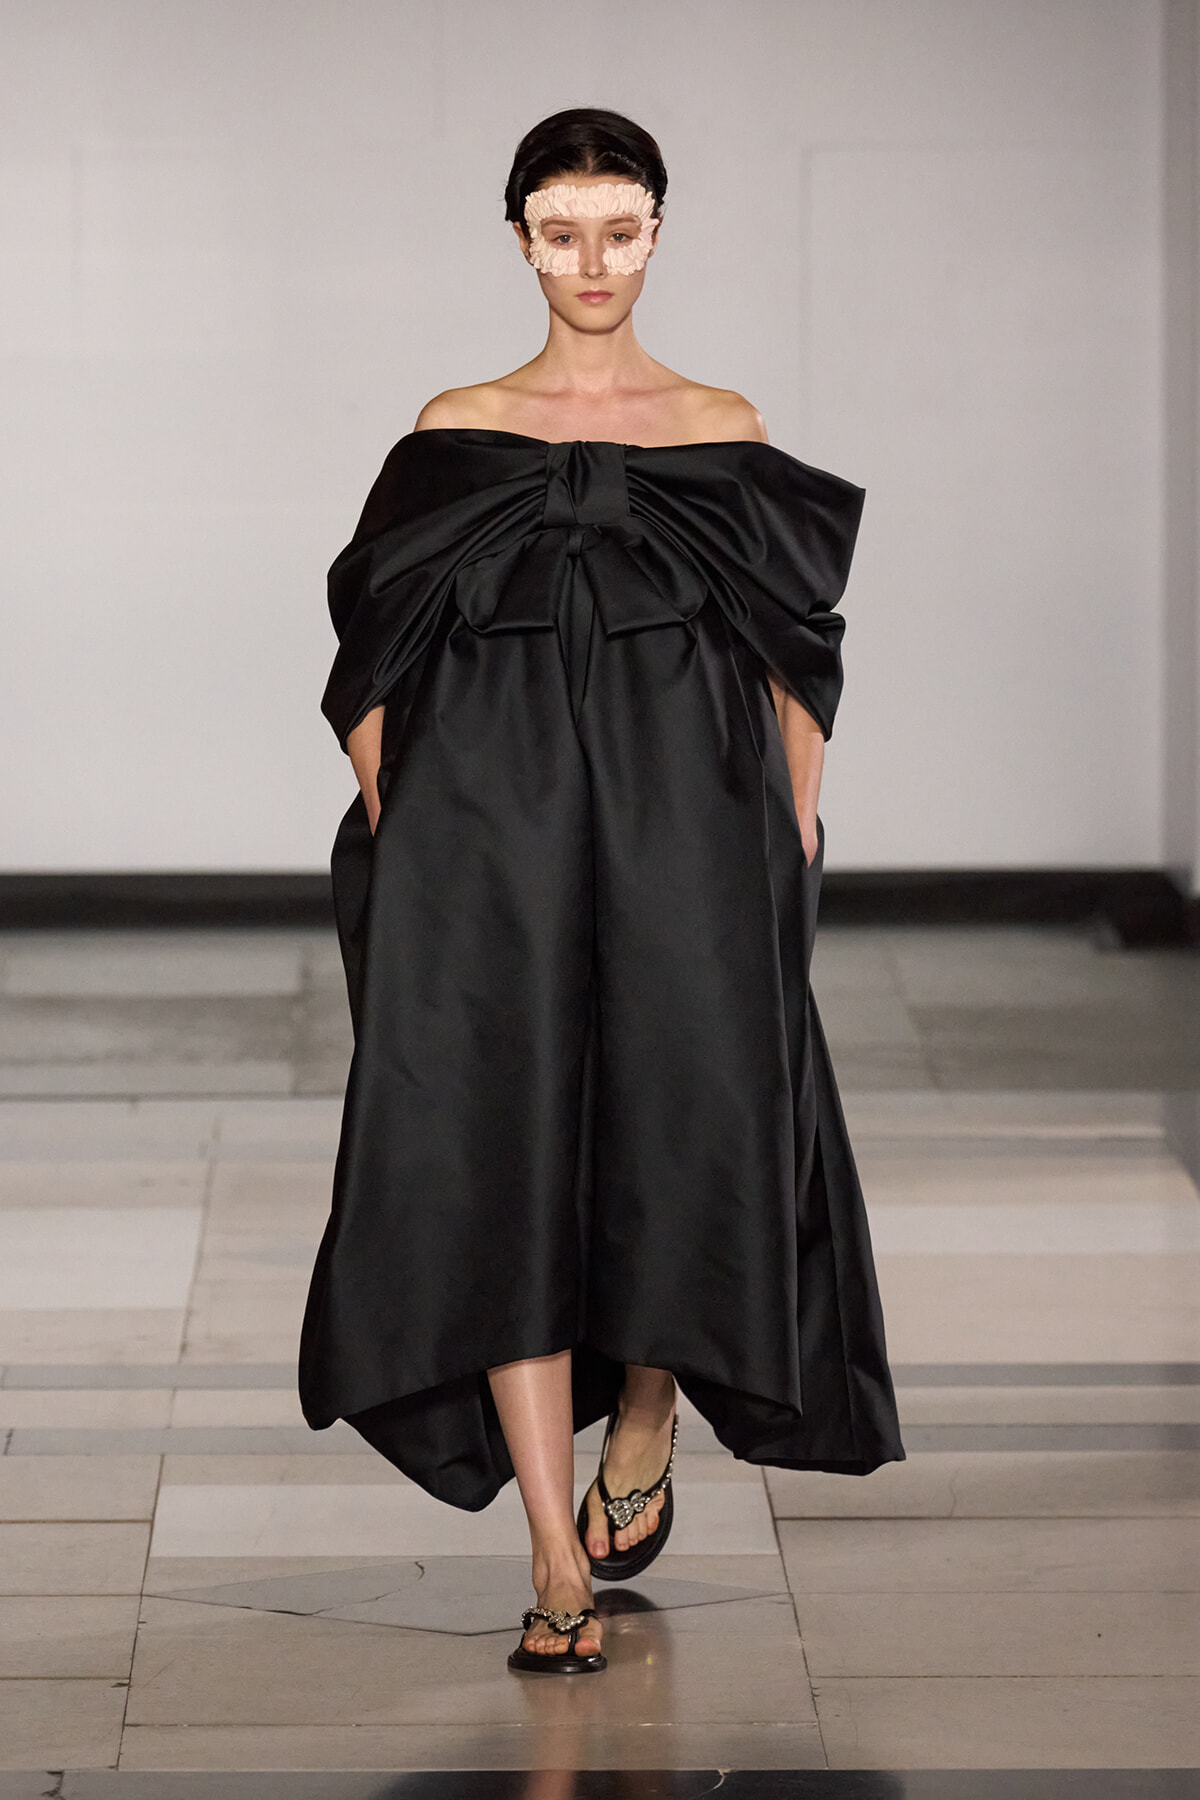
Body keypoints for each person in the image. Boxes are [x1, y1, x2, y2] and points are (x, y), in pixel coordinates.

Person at [299, 107, 904, 1677]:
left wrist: (798, 826)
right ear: (517, 237)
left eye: (619, 228)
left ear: (658, 233)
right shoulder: (458, 426)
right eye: (560, 228)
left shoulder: (719, 423)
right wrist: (402, 812)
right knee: (501, 1156)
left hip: (689, 833)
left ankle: (649, 1406)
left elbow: (798, 648)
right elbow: (372, 643)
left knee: (685, 1130)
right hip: (488, 837)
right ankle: (557, 1560)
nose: (591, 261)